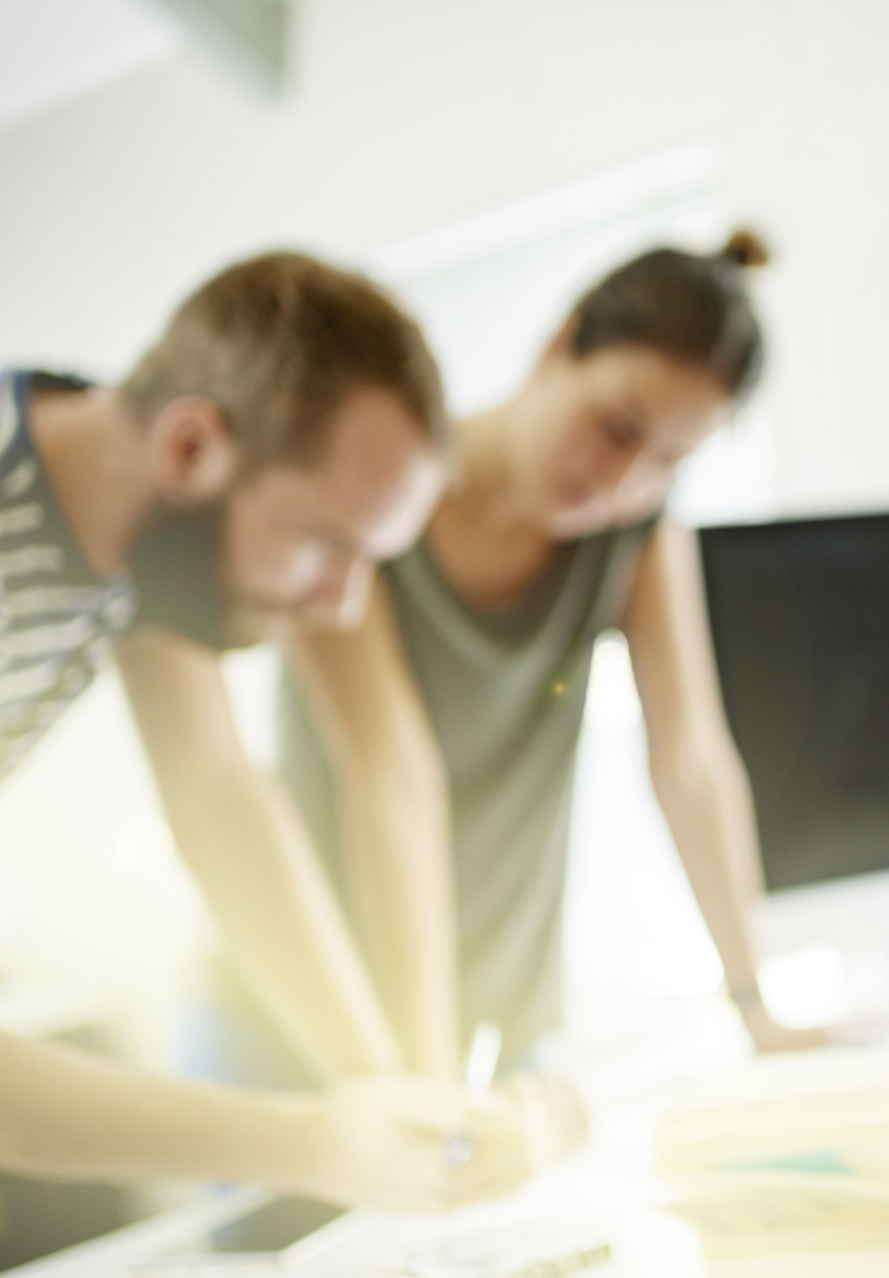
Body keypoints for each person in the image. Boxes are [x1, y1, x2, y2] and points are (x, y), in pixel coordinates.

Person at [0, 252, 540, 1276]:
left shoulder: (122, 507)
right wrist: (315, 1143)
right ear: (191, 444)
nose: (340, 607)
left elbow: (218, 794)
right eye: (326, 545)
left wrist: (389, 1093)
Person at [266, 232, 822, 1082]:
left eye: (668, 461)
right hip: (317, 1010)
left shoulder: (635, 533)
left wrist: (758, 1011)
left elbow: (692, 760)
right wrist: (420, 1067)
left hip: (506, 1013)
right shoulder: (377, 490)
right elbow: (391, 779)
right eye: (617, 426)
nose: (623, 478)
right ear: (559, 346)